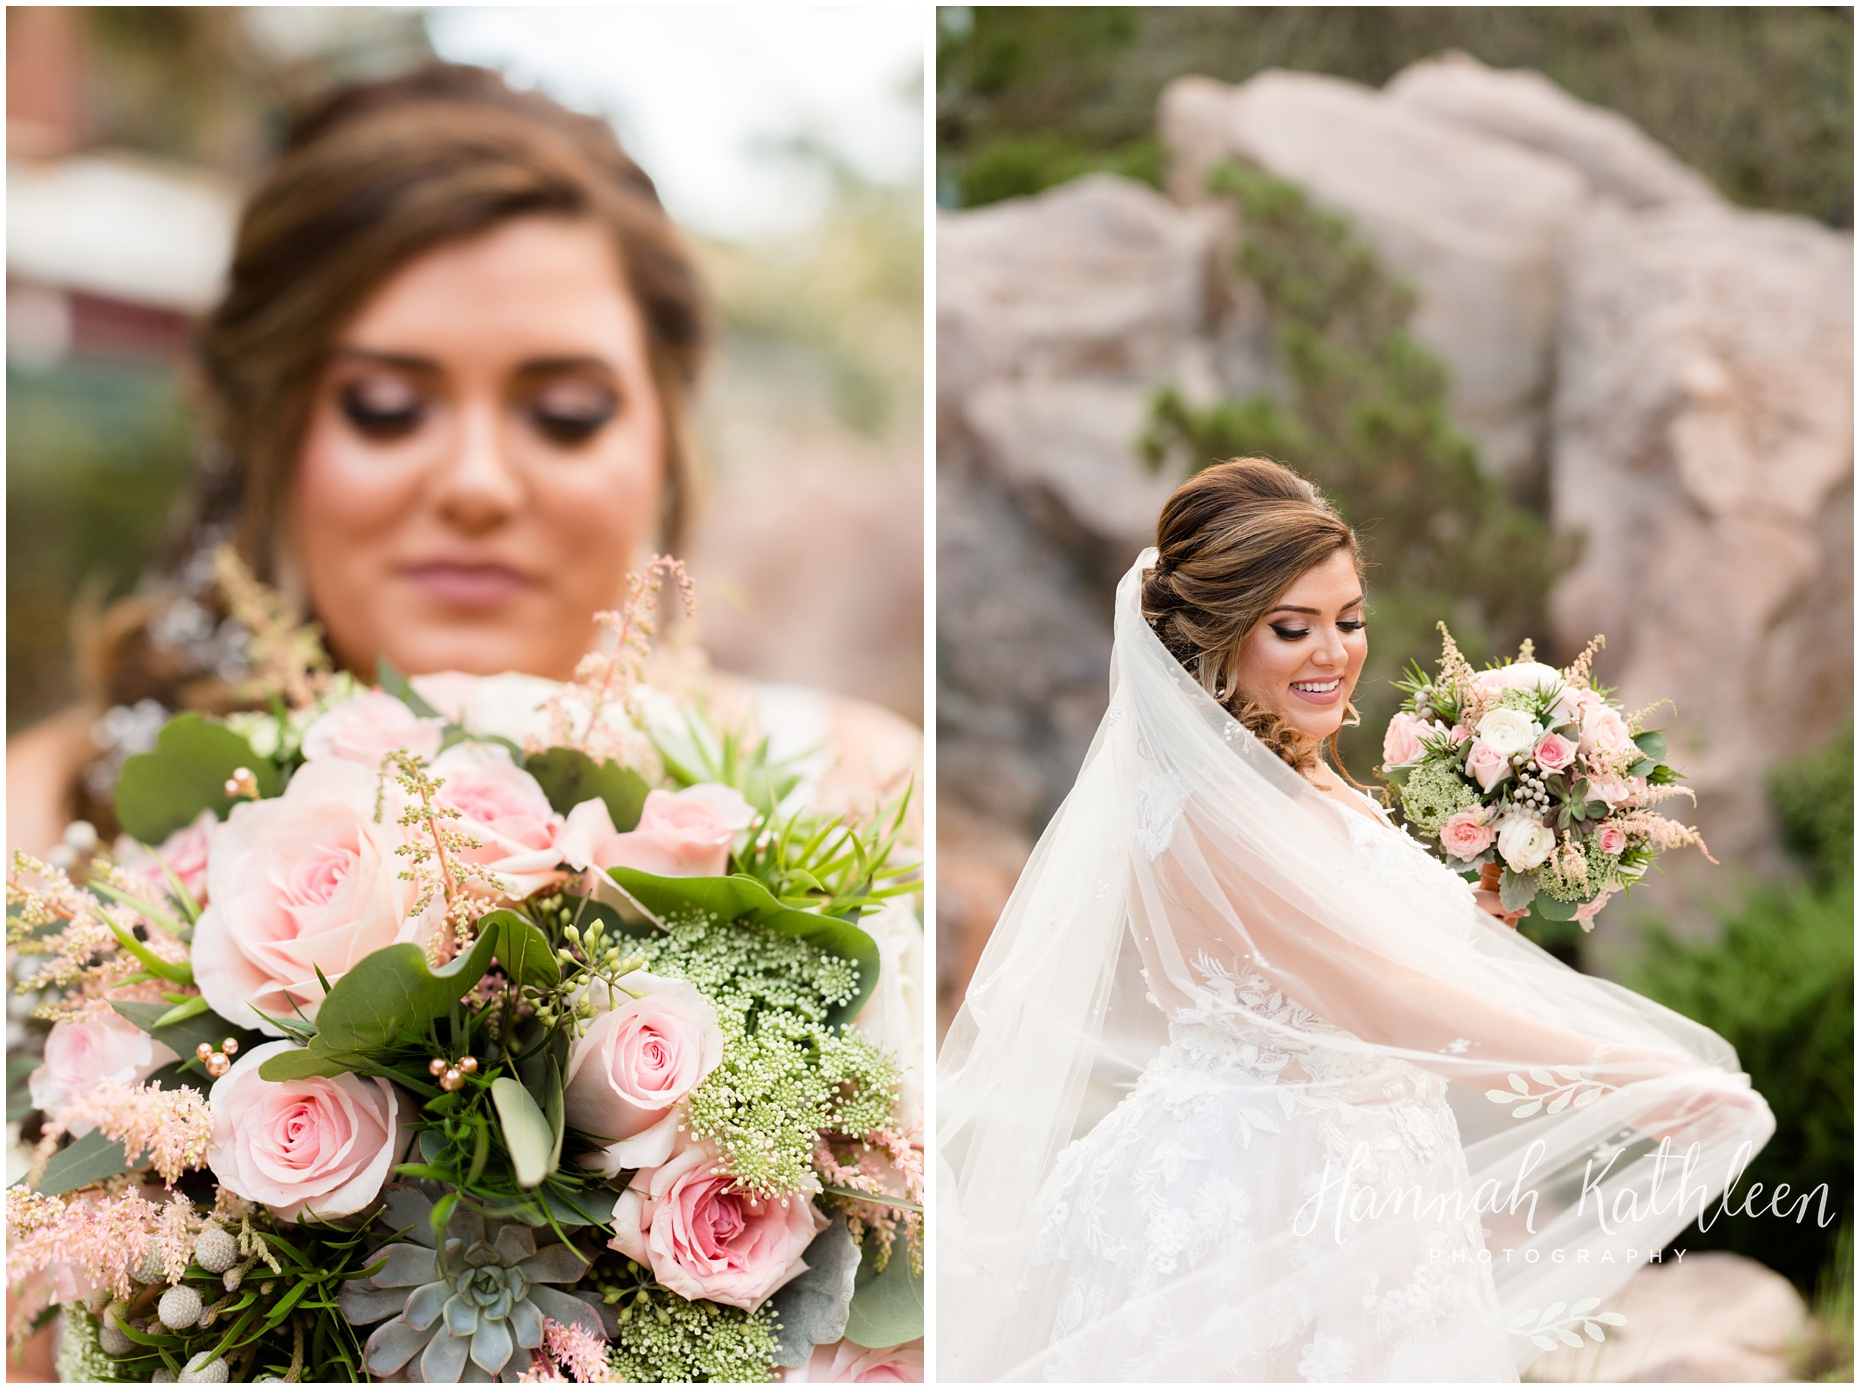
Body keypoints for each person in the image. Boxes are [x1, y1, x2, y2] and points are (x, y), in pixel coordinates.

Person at [935, 458, 1772, 1381]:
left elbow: (1393, 968)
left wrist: (1494, 894)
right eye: (1293, 628)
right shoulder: (1210, 813)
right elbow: (1381, 998)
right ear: (1217, 636)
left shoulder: (1311, 775)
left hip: (1381, 1184)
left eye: (1349, 620)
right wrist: (1623, 1076)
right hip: (1255, 1192)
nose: (1333, 653)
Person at [6, 64, 918, 859]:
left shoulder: (859, 792)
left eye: (566, 414)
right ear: (267, 433)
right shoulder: (42, 823)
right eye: (387, 409)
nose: (477, 484)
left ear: (663, 436)